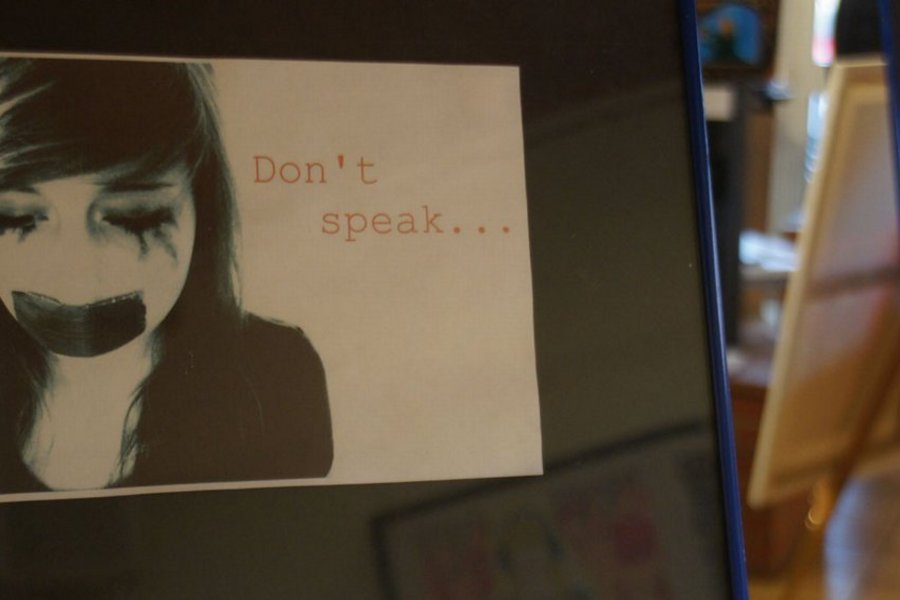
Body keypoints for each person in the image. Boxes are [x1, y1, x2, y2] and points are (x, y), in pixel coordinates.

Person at [0, 57, 333, 493]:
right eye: (15, 217)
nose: (77, 279)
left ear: (203, 213)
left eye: (134, 217)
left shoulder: (277, 376)